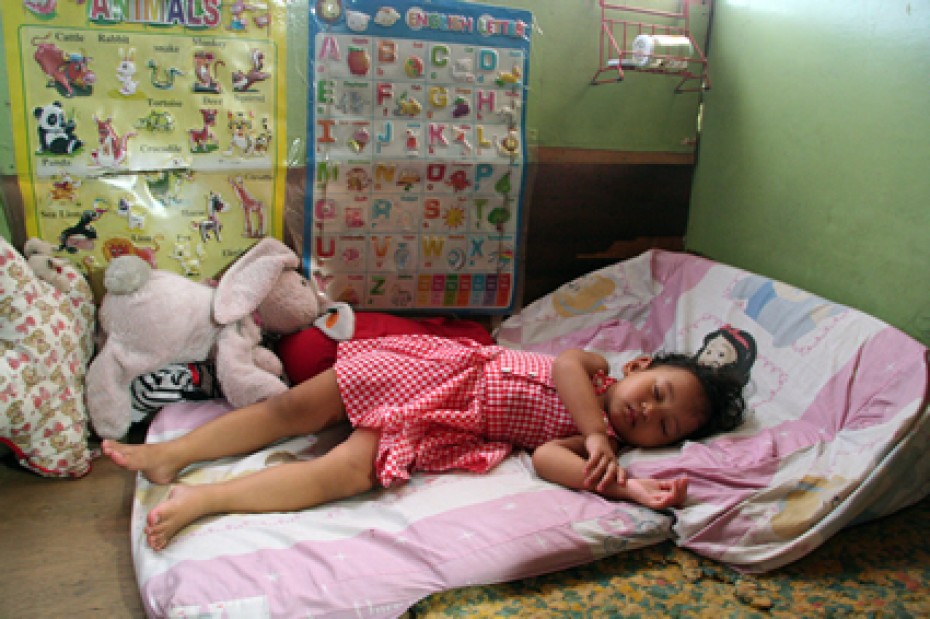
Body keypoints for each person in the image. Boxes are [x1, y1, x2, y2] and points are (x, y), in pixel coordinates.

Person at [103, 335, 746, 551]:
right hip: (437, 368)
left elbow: (548, 462)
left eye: (665, 427)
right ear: (639, 369)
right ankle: (174, 453)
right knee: (297, 404)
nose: (648, 414)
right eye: (658, 392)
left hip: (445, 421)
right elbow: (564, 368)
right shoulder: (596, 372)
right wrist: (592, 430)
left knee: (343, 472)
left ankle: (203, 500)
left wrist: (623, 481)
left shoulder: (598, 446)